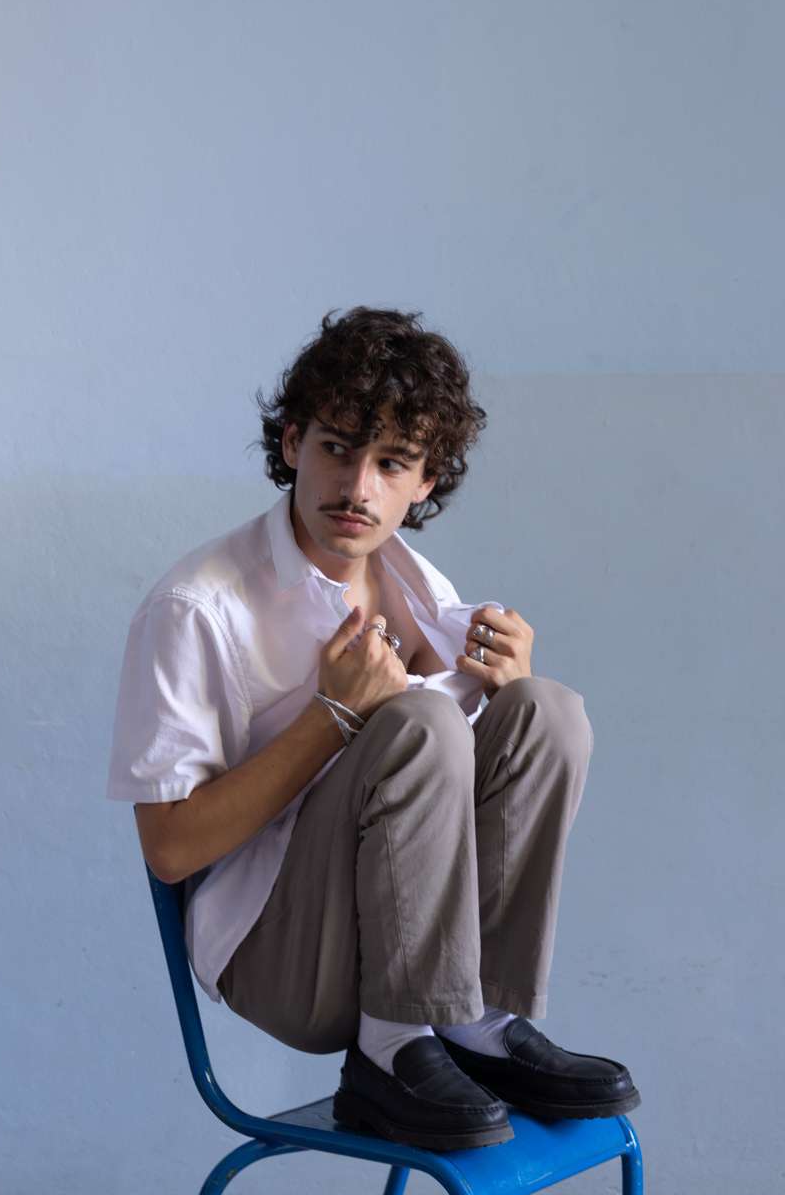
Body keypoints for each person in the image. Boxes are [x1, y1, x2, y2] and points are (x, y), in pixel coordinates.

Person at [107, 306, 639, 1151]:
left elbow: (458, 798)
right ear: (291, 444)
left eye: (391, 463)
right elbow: (168, 850)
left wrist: (505, 689)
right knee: (421, 722)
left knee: (548, 712)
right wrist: (334, 716)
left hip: (413, 944)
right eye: (336, 448)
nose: (357, 487)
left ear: (425, 482)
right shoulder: (196, 607)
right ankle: (390, 1051)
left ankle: (480, 1026)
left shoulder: (417, 582)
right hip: (282, 959)